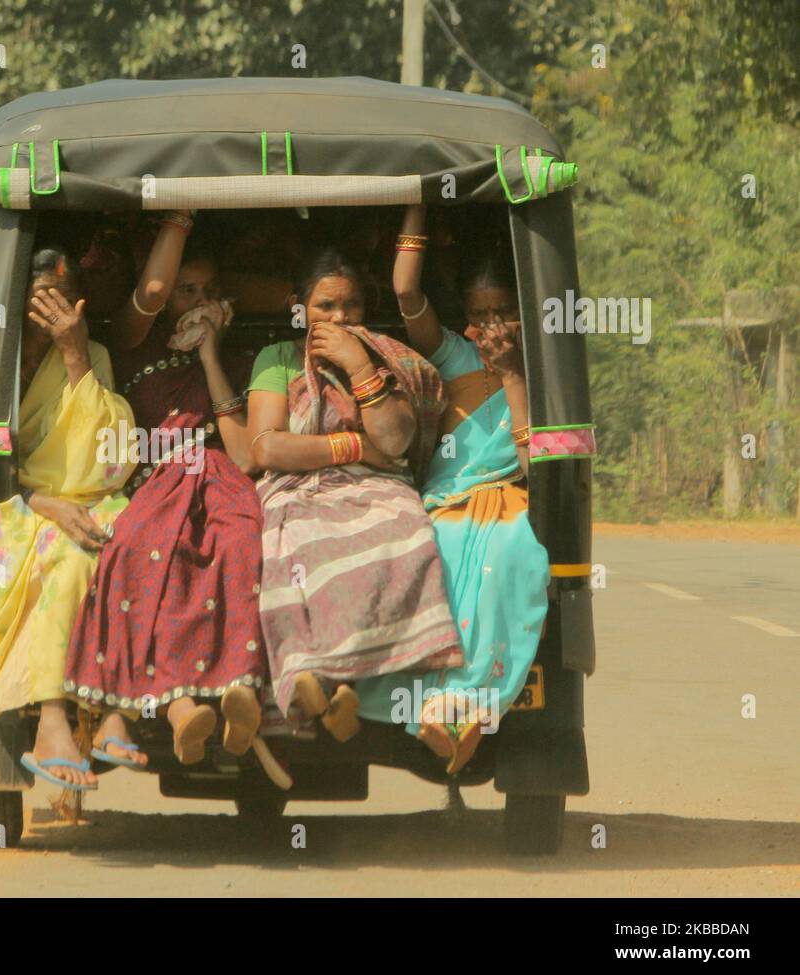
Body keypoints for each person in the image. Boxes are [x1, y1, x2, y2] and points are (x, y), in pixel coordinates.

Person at [63, 211, 267, 767]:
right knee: (141, 551)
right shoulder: (130, 345)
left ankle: (238, 690)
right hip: (155, 478)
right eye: (187, 291)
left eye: (209, 291)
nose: (198, 301)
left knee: (243, 543)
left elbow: (243, 450)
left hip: (220, 473)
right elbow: (147, 299)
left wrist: (209, 355)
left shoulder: (237, 357)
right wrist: (178, 216)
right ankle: (178, 709)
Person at [0, 248, 136, 791]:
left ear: (79, 307)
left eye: (59, 305)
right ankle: (50, 719)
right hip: (17, 513)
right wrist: (43, 505)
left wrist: (73, 353)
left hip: (93, 502)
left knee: (126, 551)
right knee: (68, 561)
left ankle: (114, 710)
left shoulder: (91, 356)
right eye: (35, 305)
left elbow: (104, 459)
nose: (46, 318)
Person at [356, 204, 549, 775]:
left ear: (522, 313)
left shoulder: (538, 369)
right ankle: (434, 712)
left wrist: (513, 374)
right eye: (480, 313)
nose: (492, 326)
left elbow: (531, 462)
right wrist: (417, 200)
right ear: (465, 316)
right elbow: (404, 289)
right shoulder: (451, 353)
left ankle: (467, 707)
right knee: (425, 558)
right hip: (442, 505)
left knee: (509, 560)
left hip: (505, 501)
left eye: (504, 313)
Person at [247, 248, 462, 741]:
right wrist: (351, 446)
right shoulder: (277, 359)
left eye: (352, 306)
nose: (341, 318)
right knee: (296, 540)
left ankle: (353, 687)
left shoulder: (387, 356)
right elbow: (266, 447)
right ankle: (316, 677)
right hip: (299, 490)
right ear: (298, 308)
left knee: (408, 532)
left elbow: (393, 442)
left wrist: (357, 362)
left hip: (377, 488)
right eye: (325, 307)